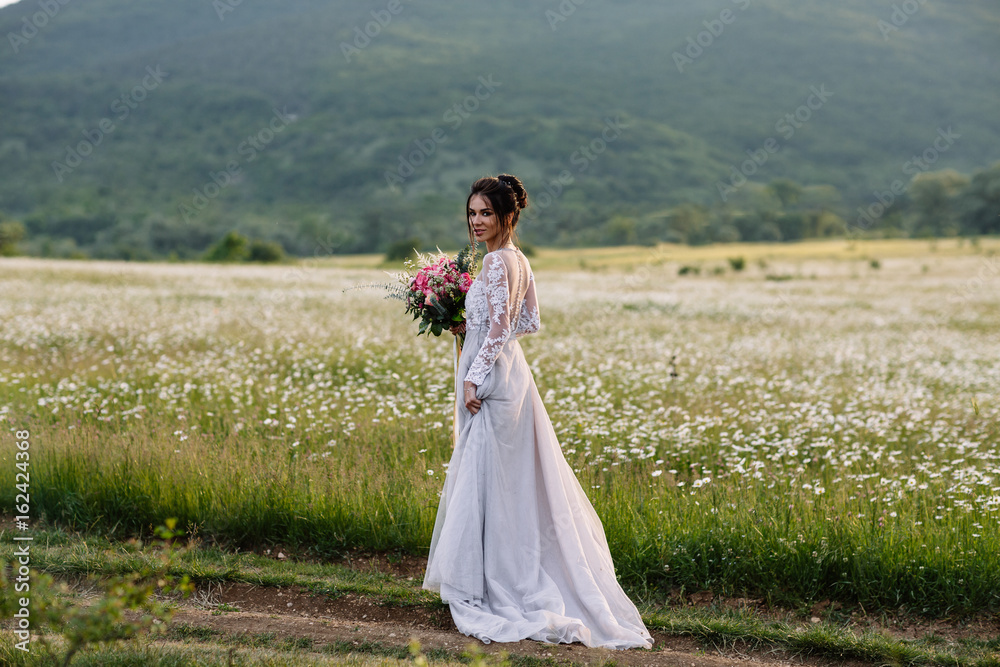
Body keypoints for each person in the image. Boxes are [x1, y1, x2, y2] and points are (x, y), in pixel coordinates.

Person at [421, 174, 654, 650]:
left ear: (508, 216)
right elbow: (530, 320)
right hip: (511, 375)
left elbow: (506, 323)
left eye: (486, 212)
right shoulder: (517, 260)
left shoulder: (494, 265)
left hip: (490, 382)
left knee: (492, 481)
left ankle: (491, 584)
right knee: (508, 482)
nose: (477, 221)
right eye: (472, 213)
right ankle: (494, 572)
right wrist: (473, 325)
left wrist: (473, 374)